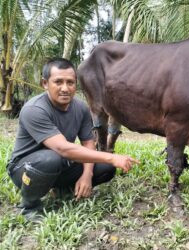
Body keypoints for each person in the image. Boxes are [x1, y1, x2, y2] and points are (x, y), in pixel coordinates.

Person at [6, 58, 139, 219]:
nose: (65, 88)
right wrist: (111, 157)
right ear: (45, 83)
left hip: (60, 163)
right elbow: (64, 148)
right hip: (25, 169)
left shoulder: (81, 107)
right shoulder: (34, 109)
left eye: (70, 82)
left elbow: (88, 143)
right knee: (51, 158)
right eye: (58, 82)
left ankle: (63, 189)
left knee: (106, 168)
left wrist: (87, 175)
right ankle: (29, 205)